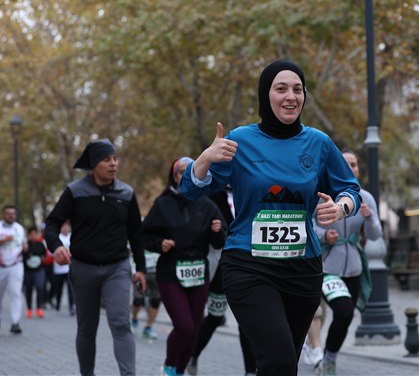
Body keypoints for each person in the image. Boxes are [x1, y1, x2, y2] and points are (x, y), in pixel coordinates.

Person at [179, 59, 362, 376]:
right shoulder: (241, 140)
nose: (290, 96)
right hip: (249, 266)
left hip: (302, 269)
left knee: (284, 365)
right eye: (281, 89)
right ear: (266, 94)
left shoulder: (318, 143)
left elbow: (351, 189)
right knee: (277, 360)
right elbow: (190, 190)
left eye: (297, 89)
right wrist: (206, 158)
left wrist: (340, 208)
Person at [44, 138, 146, 376]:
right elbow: (52, 223)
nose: (113, 164)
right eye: (106, 160)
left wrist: (140, 268)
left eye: (115, 158)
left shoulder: (126, 193)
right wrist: (56, 246)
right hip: (83, 268)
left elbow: (136, 233)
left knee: (120, 323)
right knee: (87, 328)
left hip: (117, 267)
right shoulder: (75, 192)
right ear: (93, 164)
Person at [138, 157, 227, 376]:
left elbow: (220, 243)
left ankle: (178, 371)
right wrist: (160, 243)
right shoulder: (163, 204)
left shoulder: (208, 204)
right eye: (182, 172)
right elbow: (144, 236)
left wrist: (218, 231)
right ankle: (169, 366)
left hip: (199, 273)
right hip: (170, 273)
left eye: (191, 171)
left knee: (194, 329)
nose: (186, 175)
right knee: (185, 326)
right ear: (175, 177)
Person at [310, 150, 379, 376]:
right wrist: (324, 235)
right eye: (345, 163)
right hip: (328, 266)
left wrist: (368, 217)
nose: (350, 168)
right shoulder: (323, 194)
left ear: (359, 169)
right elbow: (308, 225)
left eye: (354, 164)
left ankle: (329, 356)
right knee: (344, 311)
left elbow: (375, 234)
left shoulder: (366, 198)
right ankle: (324, 357)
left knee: (345, 316)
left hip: (354, 267)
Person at [186, 187, 257, 376]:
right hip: (221, 266)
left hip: (251, 265)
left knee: (247, 319)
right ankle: (193, 354)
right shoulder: (212, 194)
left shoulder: (252, 189)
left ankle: (250, 370)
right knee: (215, 316)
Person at [0, 205, 27, 334]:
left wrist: (25, 246)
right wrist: (3, 240)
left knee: (16, 293)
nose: (11, 216)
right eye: (8, 213)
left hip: (16, 265)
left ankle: (15, 323)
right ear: (3, 214)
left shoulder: (19, 228)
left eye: (13, 213)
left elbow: (23, 243)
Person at [130, 249, 161, 339]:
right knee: (138, 299)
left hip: (157, 272)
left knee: (156, 301)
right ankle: (134, 320)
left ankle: (148, 328)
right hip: (140, 271)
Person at [23, 226, 47, 319]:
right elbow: (21, 257)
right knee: (28, 289)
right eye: (31, 234)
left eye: (35, 234)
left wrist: (42, 258)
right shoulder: (25, 245)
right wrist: (25, 251)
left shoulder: (41, 244)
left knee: (40, 287)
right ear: (29, 235)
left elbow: (45, 255)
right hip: (28, 271)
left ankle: (39, 308)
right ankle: (29, 309)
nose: (33, 236)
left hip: (39, 270)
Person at [51, 220, 74, 315]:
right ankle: (58, 303)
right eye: (63, 226)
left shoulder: (73, 236)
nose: (65, 228)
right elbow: (51, 252)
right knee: (59, 289)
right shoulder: (57, 237)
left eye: (67, 226)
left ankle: (71, 307)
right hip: (59, 269)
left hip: (70, 268)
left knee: (71, 289)